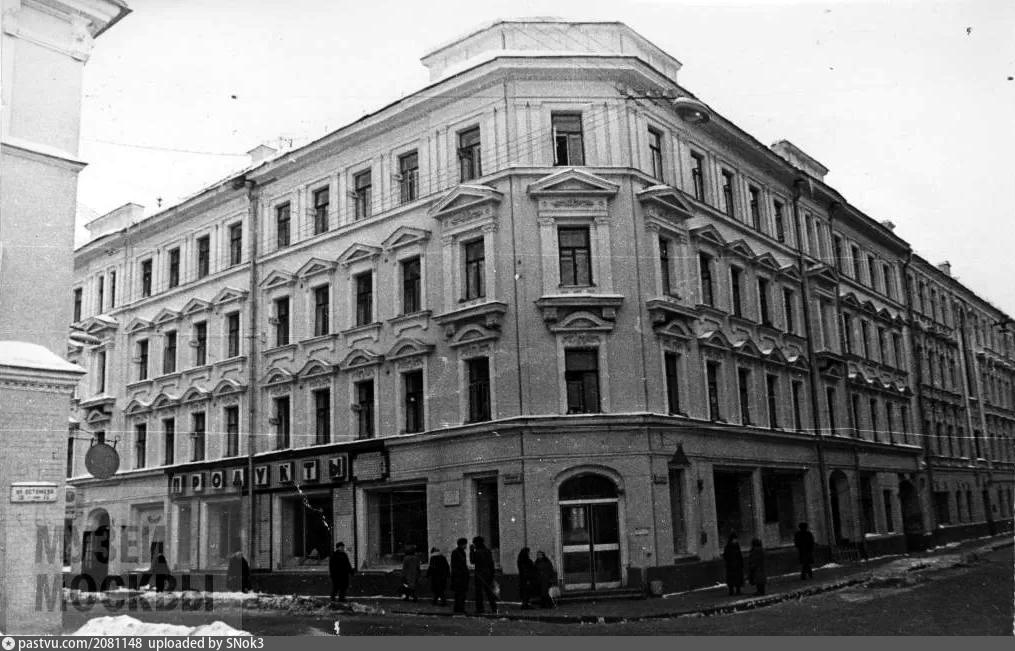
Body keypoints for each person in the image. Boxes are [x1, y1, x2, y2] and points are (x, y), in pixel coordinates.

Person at [469, 536, 497, 614]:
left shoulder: (477, 552)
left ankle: (480, 609)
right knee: (489, 593)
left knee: (479, 593)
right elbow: (491, 563)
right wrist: (492, 574)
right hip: (488, 575)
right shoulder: (487, 551)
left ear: (477, 543)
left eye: (474, 543)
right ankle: (494, 608)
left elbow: (472, 561)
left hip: (479, 575)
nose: (474, 544)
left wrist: (471, 551)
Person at [450, 537, 470, 614]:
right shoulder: (457, 552)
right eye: (465, 544)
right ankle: (459, 609)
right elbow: (458, 565)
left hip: (459, 576)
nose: (466, 546)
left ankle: (458, 608)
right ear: (462, 544)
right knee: (460, 594)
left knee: (459, 594)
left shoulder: (458, 552)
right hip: (459, 577)